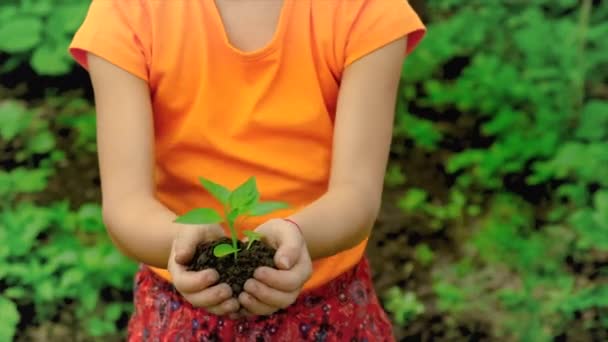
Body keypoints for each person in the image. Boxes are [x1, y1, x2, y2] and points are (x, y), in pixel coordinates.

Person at [70, 0, 425, 340]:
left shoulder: (364, 10)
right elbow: (126, 205)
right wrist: (179, 245)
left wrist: (298, 239)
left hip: (327, 302)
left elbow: (357, 195)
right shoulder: (129, 12)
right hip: (182, 302)